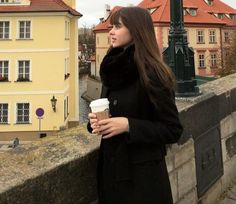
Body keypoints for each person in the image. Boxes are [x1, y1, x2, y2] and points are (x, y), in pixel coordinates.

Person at [87, 6, 183, 204]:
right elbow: (112, 113)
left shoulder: (153, 73)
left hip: (143, 181)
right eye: (111, 26)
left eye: (118, 26)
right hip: (111, 173)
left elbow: (172, 130)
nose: (111, 31)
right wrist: (95, 123)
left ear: (136, 30)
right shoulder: (112, 69)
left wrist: (128, 125)